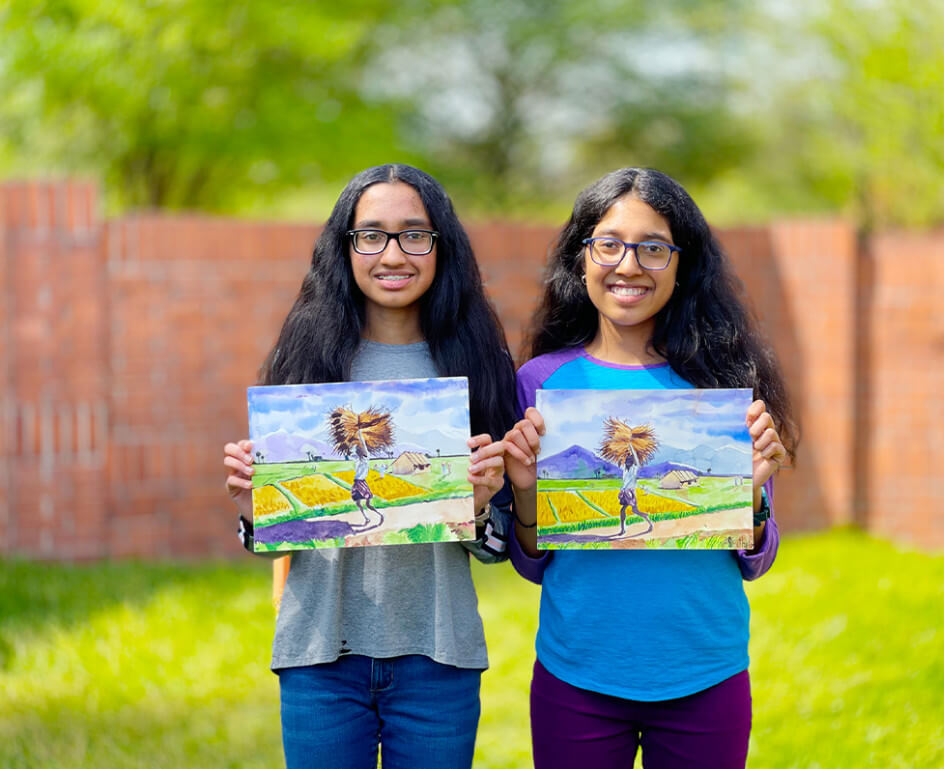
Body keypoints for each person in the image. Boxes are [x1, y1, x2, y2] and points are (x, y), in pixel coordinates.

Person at [500, 167, 797, 769]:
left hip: (705, 671)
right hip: (576, 672)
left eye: (653, 248)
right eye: (608, 244)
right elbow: (531, 561)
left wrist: (754, 492)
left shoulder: (722, 385)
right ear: (581, 258)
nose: (628, 265)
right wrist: (526, 492)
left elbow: (754, 560)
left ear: (682, 264)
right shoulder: (539, 383)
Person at [222, 164, 517, 769]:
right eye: (371, 234)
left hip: (440, 656)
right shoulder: (303, 360)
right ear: (346, 246)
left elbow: (498, 547)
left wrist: (484, 504)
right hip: (318, 655)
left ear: (441, 247)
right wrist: (257, 513)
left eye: (414, 234)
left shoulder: (477, 364)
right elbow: (276, 539)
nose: (393, 253)